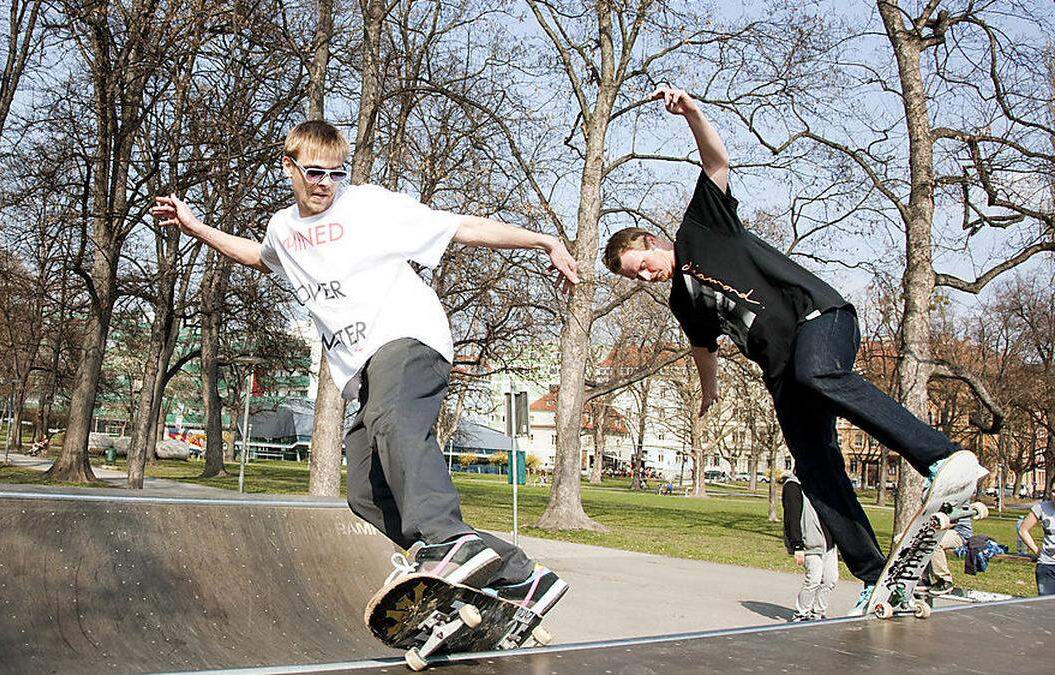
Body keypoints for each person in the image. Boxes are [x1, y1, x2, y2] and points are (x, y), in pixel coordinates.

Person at [151, 120, 574, 616]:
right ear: (288, 166)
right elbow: (256, 258)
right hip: (361, 372)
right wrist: (194, 225)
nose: (324, 184)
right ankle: (514, 575)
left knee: (393, 421)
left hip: (409, 338)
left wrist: (543, 240)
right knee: (366, 493)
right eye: (313, 173)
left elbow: (459, 225)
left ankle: (446, 540)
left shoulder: (370, 206)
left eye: (335, 173)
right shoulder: (282, 230)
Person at [600, 86, 986, 614]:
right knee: (815, 465)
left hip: (820, 319)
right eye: (635, 278)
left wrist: (691, 113)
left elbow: (717, 161)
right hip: (783, 373)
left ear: (652, 243)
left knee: (815, 374)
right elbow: (702, 348)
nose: (646, 275)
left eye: (642, 264)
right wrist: (708, 394)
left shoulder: (700, 228)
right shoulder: (680, 300)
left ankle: (942, 458)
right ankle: (879, 578)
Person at [781, 473, 837, 621]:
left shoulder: (819, 485)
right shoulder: (793, 486)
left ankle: (817, 613)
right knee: (813, 580)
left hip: (828, 543)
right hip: (809, 543)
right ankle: (801, 614)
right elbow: (792, 518)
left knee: (830, 580)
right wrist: (797, 546)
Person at [919, 514, 972, 596]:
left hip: (959, 533)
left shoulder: (956, 502)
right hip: (942, 530)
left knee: (935, 543)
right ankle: (925, 579)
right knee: (920, 541)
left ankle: (945, 581)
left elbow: (952, 522)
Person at [1018, 498, 1055, 596]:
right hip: (1047, 566)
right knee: (1047, 606)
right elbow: (1023, 530)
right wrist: (1037, 551)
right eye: (1054, 490)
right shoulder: (1041, 507)